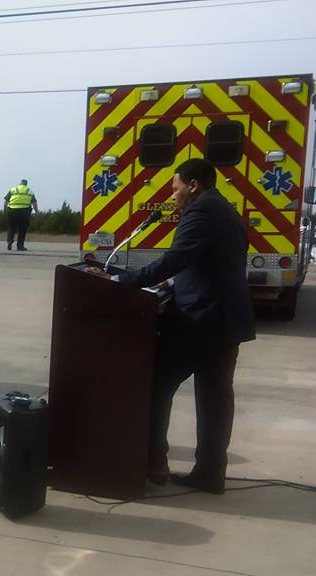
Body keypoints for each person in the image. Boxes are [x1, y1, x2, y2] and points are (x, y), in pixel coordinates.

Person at [89, 158, 255, 494]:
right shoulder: (224, 208)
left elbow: (175, 259)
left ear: (194, 185)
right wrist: (173, 286)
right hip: (225, 320)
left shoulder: (202, 211)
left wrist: (122, 280)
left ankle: (154, 463)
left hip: (201, 321)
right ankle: (210, 473)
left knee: (155, 384)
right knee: (215, 398)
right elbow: (206, 265)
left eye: (176, 187)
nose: (173, 195)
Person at [3, 179, 38, 251]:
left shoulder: (13, 190)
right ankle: (20, 246)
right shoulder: (30, 191)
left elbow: (6, 201)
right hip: (24, 212)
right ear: (26, 184)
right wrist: (36, 211)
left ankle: (9, 242)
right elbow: (34, 203)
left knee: (11, 227)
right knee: (22, 229)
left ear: (20, 183)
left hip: (12, 211)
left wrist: (5, 210)